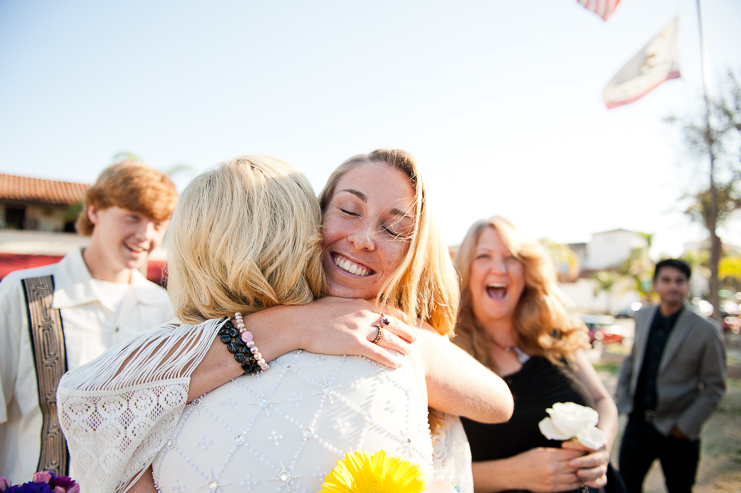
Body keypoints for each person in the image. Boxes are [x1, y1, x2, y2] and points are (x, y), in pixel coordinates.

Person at [58, 153, 512, 493]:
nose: (361, 239)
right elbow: (85, 398)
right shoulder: (201, 336)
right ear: (310, 220)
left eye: (395, 230)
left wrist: (393, 327)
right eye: (349, 211)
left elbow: (497, 403)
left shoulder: (391, 334)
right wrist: (294, 324)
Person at [0, 160, 178, 482]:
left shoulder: (168, 309)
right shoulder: (22, 292)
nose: (145, 235)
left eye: (157, 223)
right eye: (133, 217)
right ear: (94, 210)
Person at [454, 216, 620, 493]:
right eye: (484, 256)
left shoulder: (552, 334)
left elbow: (603, 401)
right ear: (466, 271)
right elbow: (435, 473)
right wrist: (512, 474)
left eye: (512, 258)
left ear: (527, 270)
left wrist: (601, 445)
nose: (499, 269)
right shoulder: (451, 356)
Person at [616, 258, 726, 493]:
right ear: (655, 284)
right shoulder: (643, 317)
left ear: (687, 286)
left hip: (676, 430)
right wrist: (623, 400)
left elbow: (715, 386)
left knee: (679, 489)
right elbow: (631, 361)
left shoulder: (706, 330)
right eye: (666, 280)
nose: (673, 286)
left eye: (680, 281)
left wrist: (685, 426)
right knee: (625, 486)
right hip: (637, 425)